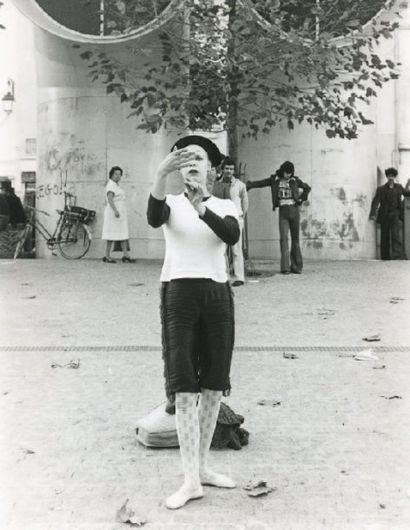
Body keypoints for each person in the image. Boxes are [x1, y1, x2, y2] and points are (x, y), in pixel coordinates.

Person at [146, 135, 240, 510]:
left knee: (214, 385)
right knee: (184, 386)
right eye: (183, 158)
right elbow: (154, 219)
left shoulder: (225, 203)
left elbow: (230, 235)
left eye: (199, 157)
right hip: (179, 296)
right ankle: (189, 480)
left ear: (212, 168)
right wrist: (159, 175)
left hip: (217, 296)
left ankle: (202, 469)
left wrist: (202, 207)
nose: (191, 163)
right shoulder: (168, 203)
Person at [247, 161, 311, 274]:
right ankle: (285, 268)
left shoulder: (295, 180)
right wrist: (250, 185)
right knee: (284, 238)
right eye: (286, 173)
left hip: (294, 210)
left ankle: (296, 267)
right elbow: (262, 183)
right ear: (282, 171)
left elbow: (307, 188)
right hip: (283, 211)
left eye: (290, 173)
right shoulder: (274, 179)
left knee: (295, 239)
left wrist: (301, 199)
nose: (288, 175)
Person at [212, 157, 248, 286]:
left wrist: (240, 215)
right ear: (223, 169)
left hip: (236, 219)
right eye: (227, 168)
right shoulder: (217, 184)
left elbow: (245, 202)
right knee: (222, 249)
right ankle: (224, 276)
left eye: (231, 169)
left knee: (236, 249)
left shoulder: (239, 185)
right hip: (222, 219)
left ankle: (239, 277)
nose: (229, 171)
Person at [369, 167, 410, 260]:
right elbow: (376, 201)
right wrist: (373, 213)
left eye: (393, 176)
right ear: (387, 177)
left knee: (396, 235)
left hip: (395, 214)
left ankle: (396, 256)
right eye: (389, 176)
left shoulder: (399, 187)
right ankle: (385, 257)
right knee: (384, 236)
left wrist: (408, 183)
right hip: (384, 215)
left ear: (395, 177)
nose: (391, 177)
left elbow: (407, 193)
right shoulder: (381, 189)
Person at [101, 166, 135, 263]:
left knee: (123, 233)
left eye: (120, 174)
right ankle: (107, 255)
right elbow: (110, 199)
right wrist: (115, 210)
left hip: (120, 214)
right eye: (116, 174)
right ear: (111, 174)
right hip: (113, 213)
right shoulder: (110, 185)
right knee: (111, 234)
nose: (118, 176)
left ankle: (126, 255)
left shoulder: (116, 185)